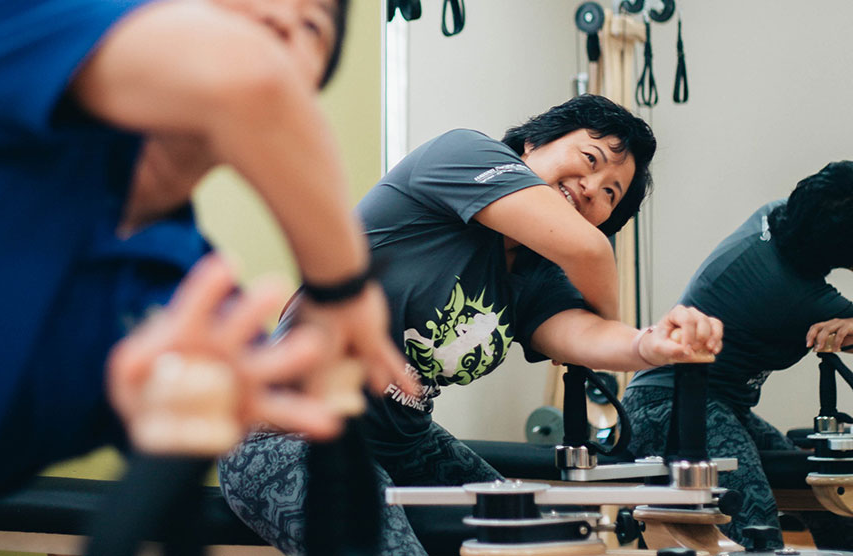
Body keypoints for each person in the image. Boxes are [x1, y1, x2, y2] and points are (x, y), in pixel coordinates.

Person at [0, 0, 418, 553]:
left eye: (312, 27)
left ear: (312, 88)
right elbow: (245, 75)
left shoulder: (196, 300)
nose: (280, 17)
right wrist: (343, 287)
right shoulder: (11, 28)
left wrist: (173, 416)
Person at [219, 94, 725, 556]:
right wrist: (604, 286)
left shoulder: (537, 275)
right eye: (589, 160)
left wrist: (651, 344)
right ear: (534, 142)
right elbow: (586, 249)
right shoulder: (465, 156)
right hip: (286, 432)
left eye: (610, 195)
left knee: (548, 542)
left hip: (404, 445)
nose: (591, 188)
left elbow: (583, 336)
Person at [623, 161, 853, 550]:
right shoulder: (790, 295)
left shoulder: (776, 214)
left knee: (828, 498)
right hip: (667, 409)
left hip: (720, 406)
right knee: (756, 531)